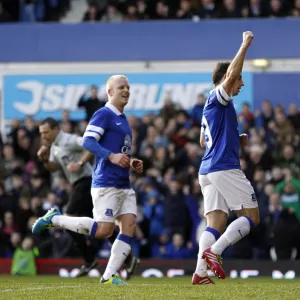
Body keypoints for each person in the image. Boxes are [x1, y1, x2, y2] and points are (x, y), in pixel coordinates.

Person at [33, 75, 143, 285]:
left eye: (128, 87)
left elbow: (117, 151)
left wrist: (130, 162)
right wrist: (111, 157)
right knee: (104, 231)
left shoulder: (122, 118)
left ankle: (109, 276)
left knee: (128, 226)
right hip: (106, 182)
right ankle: (54, 219)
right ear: (110, 92)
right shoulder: (104, 114)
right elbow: (87, 141)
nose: (126, 90)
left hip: (123, 182)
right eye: (121, 87)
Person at [192, 31, 260, 285]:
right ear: (226, 78)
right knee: (252, 217)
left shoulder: (210, 108)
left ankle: (200, 272)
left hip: (207, 169)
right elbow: (231, 75)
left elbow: (202, 141)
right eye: (239, 78)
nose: (240, 83)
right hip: (223, 167)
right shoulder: (219, 98)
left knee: (215, 222)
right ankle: (214, 253)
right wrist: (244, 45)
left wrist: (234, 138)